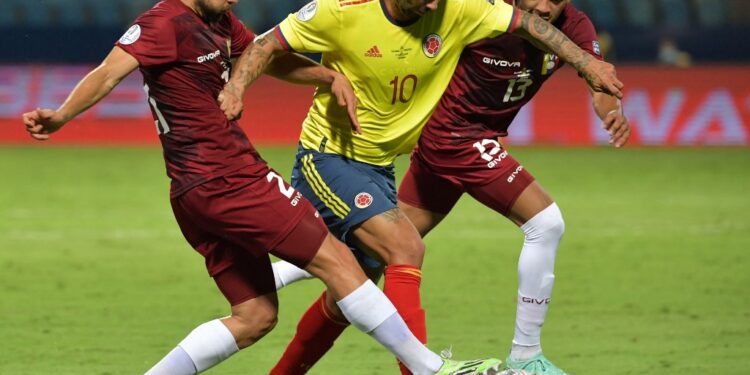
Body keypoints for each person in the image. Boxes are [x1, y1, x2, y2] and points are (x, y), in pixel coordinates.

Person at [21, 0, 509, 374]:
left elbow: (272, 59)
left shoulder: (219, 22)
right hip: (231, 178)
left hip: (193, 191)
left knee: (254, 315)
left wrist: (328, 75)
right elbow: (109, 72)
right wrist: (61, 116)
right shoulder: (163, 23)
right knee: (340, 262)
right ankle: (431, 369)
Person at [218, 0, 624, 373]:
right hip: (367, 152)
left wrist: (596, 81)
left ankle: (292, 302)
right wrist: (238, 86)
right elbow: (267, 44)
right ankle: (483, 362)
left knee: (359, 281)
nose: (433, 4)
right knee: (422, 245)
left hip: (384, 163)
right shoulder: (342, 11)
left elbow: (555, 45)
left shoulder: (464, 9)